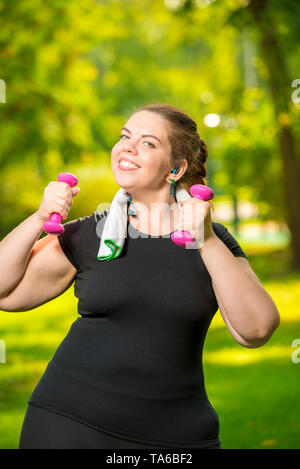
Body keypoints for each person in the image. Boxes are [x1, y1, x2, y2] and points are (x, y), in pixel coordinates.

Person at [0, 103, 280, 449]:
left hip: (178, 439)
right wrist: (39, 218)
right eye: (125, 137)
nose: (128, 147)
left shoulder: (214, 240)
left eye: (148, 143)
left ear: (176, 168)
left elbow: (256, 330)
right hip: (68, 424)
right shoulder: (90, 235)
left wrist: (204, 239)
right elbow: (5, 293)